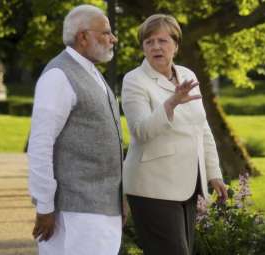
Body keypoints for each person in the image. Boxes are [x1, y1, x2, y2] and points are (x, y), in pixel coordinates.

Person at [121, 14, 228, 255]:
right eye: (149, 41)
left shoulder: (188, 75)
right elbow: (140, 132)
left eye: (162, 40)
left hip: (188, 186)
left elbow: (202, 128)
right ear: (143, 47)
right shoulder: (134, 80)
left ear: (176, 45)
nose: (156, 46)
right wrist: (170, 104)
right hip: (152, 187)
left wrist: (214, 174)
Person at [27, 5, 124, 255]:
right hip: (75, 214)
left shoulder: (91, 73)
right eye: (106, 33)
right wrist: (45, 206)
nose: (113, 38)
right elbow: (40, 143)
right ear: (83, 37)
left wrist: (118, 198)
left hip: (98, 211)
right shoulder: (59, 75)